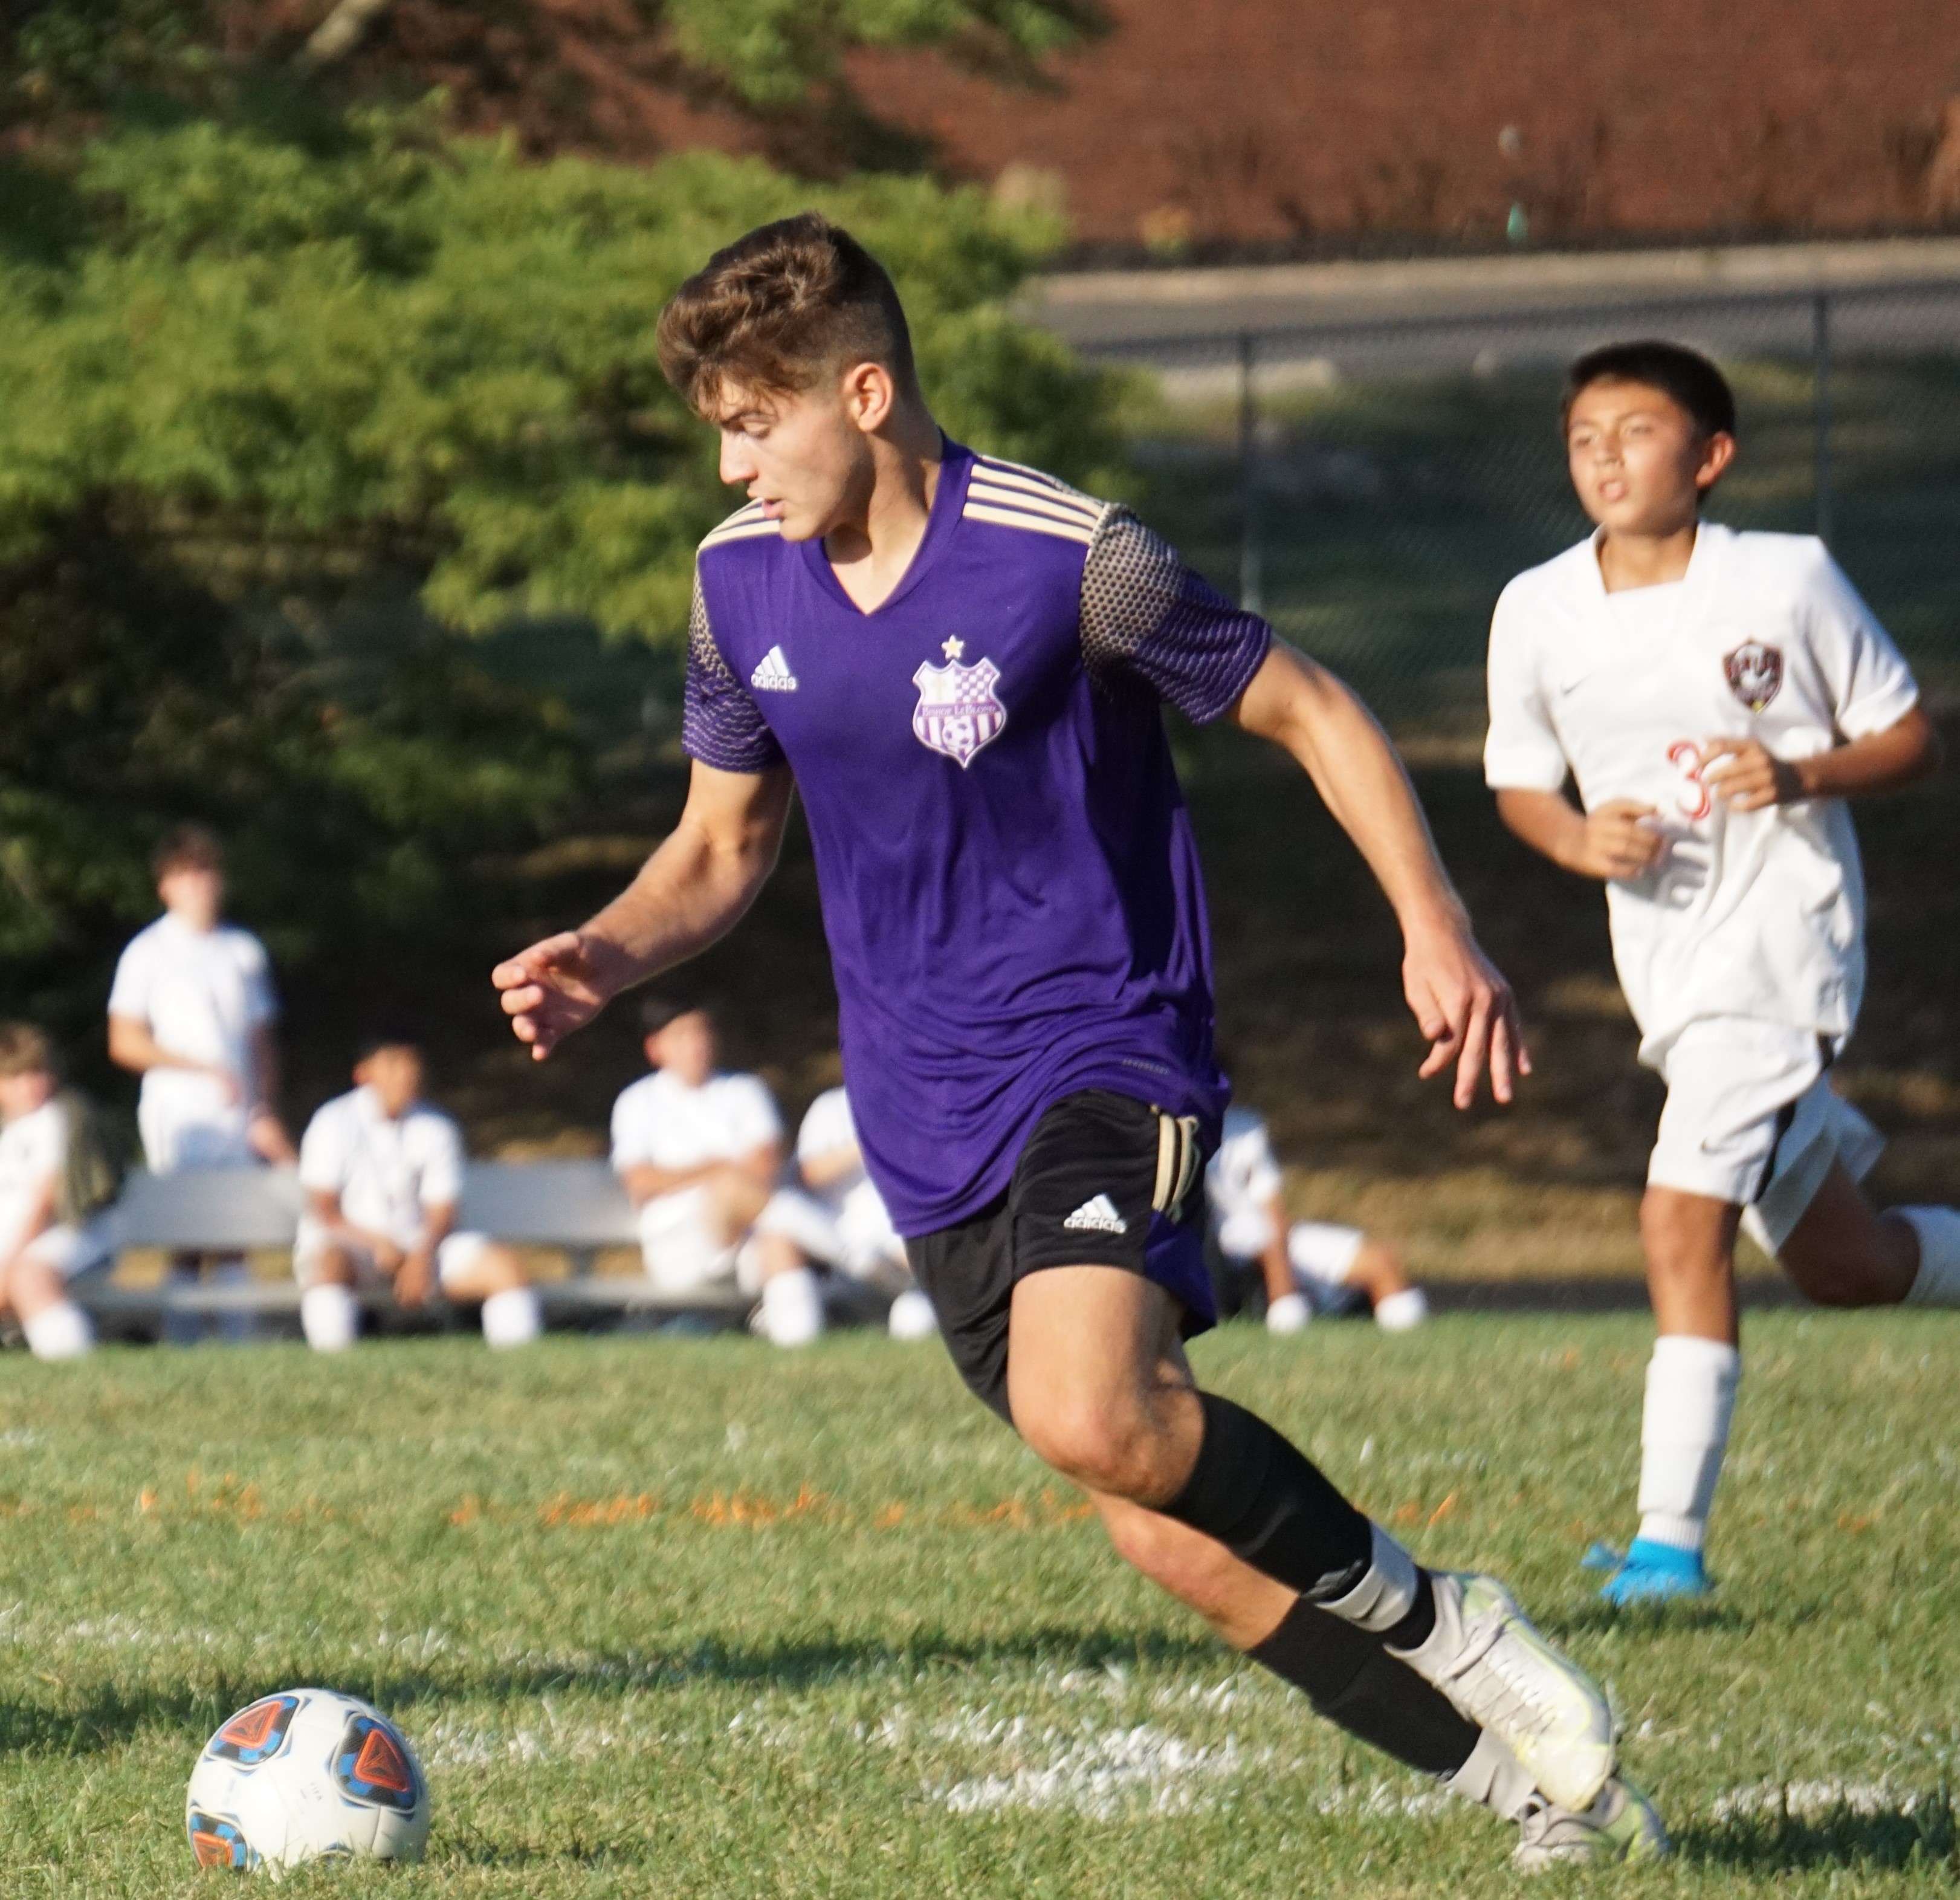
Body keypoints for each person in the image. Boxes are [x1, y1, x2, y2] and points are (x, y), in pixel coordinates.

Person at [494, 213, 1661, 1867]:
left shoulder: (1067, 557)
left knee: (1093, 1405)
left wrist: (1434, 921)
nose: (737, 462)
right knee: (1158, 1519)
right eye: (721, 431)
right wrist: (600, 956)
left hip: (1104, 1042)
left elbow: (1307, 704)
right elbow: (718, 850)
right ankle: (1552, 1797)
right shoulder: (731, 581)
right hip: (916, 1101)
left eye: (759, 420)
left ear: (868, 389)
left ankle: (1454, 1624)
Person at [1484, 339, 1950, 1607]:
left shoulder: (1783, 578)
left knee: (1674, 1216)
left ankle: (1666, 1547)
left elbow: (1906, 733)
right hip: (1669, 979)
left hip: (1784, 950)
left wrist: (1801, 772)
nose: (1604, 458)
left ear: (1708, 455)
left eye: (1634, 432)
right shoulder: (1535, 605)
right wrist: (1578, 836)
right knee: (1839, 1265)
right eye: (1584, 436)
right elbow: (1518, 780)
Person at [106, 825, 294, 1338]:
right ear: (165, 885)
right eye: (186, 875)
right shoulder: (148, 952)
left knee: (236, 1223)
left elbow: (260, 1038)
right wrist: (198, 1068)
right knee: (187, 1227)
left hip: (237, 1111)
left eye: (206, 872)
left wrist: (264, 1107)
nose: (199, 885)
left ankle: (240, 1337)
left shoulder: (241, 950)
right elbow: (124, 1041)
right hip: (180, 1112)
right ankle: (183, 1338)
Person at [294, 1031, 542, 1352]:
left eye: (413, 1063)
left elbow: (443, 1209)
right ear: (364, 1074)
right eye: (394, 1063)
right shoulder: (332, 1122)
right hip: (353, 1246)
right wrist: (376, 1243)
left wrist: (421, 1255)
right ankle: (332, 1364)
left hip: (422, 1247)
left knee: (504, 1268)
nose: (407, 1073)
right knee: (329, 1263)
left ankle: (519, 1368)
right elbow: (324, 1209)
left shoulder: (437, 1127)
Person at [609, 998, 820, 1347]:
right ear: (655, 1047)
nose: (696, 1045)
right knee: (736, 1192)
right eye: (681, 1036)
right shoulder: (636, 1102)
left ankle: (802, 1353)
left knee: (777, 1241)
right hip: (680, 1244)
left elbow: (766, 1165)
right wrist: (718, 1170)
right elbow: (640, 1182)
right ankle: (855, 1257)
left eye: (702, 1032)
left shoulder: (744, 1090)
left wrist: (701, 1176)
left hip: (751, 1234)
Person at [1206, 1106, 1428, 1333]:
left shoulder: (1244, 1127)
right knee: (1267, 1247)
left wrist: (1279, 1249)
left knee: (1380, 1261)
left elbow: (1272, 1207)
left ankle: (1408, 1351)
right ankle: (1286, 1319)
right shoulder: (1172, 1130)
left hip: (1262, 1234)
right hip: (1217, 1247)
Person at [753, 1079, 940, 1341]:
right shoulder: (830, 1106)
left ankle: (869, 1268)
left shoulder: (924, 1103)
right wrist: (870, 1145)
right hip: (839, 1242)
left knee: (913, 1323)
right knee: (780, 1212)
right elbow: (809, 1174)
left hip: (905, 1261)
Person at [0, 1023, 111, 1361]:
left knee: (30, 1276)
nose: (33, 1085)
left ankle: (70, 1363)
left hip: (70, 1234)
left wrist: (12, 1258)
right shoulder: (12, 1131)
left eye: (40, 1072)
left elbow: (47, 1197)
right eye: (18, 1076)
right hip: (22, 1240)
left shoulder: (58, 1118)